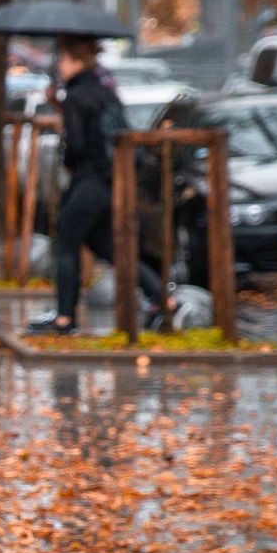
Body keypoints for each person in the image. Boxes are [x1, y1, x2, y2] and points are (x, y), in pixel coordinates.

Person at [30, 34, 169, 335]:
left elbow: (76, 148)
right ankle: (161, 298)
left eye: (64, 59)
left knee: (65, 243)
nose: (61, 65)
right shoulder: (105, 90)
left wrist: (64, 126)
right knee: (107, 246)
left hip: (89, 180)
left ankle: (65, 317)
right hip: (109, 179)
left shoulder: (76, 96)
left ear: (77, 61)